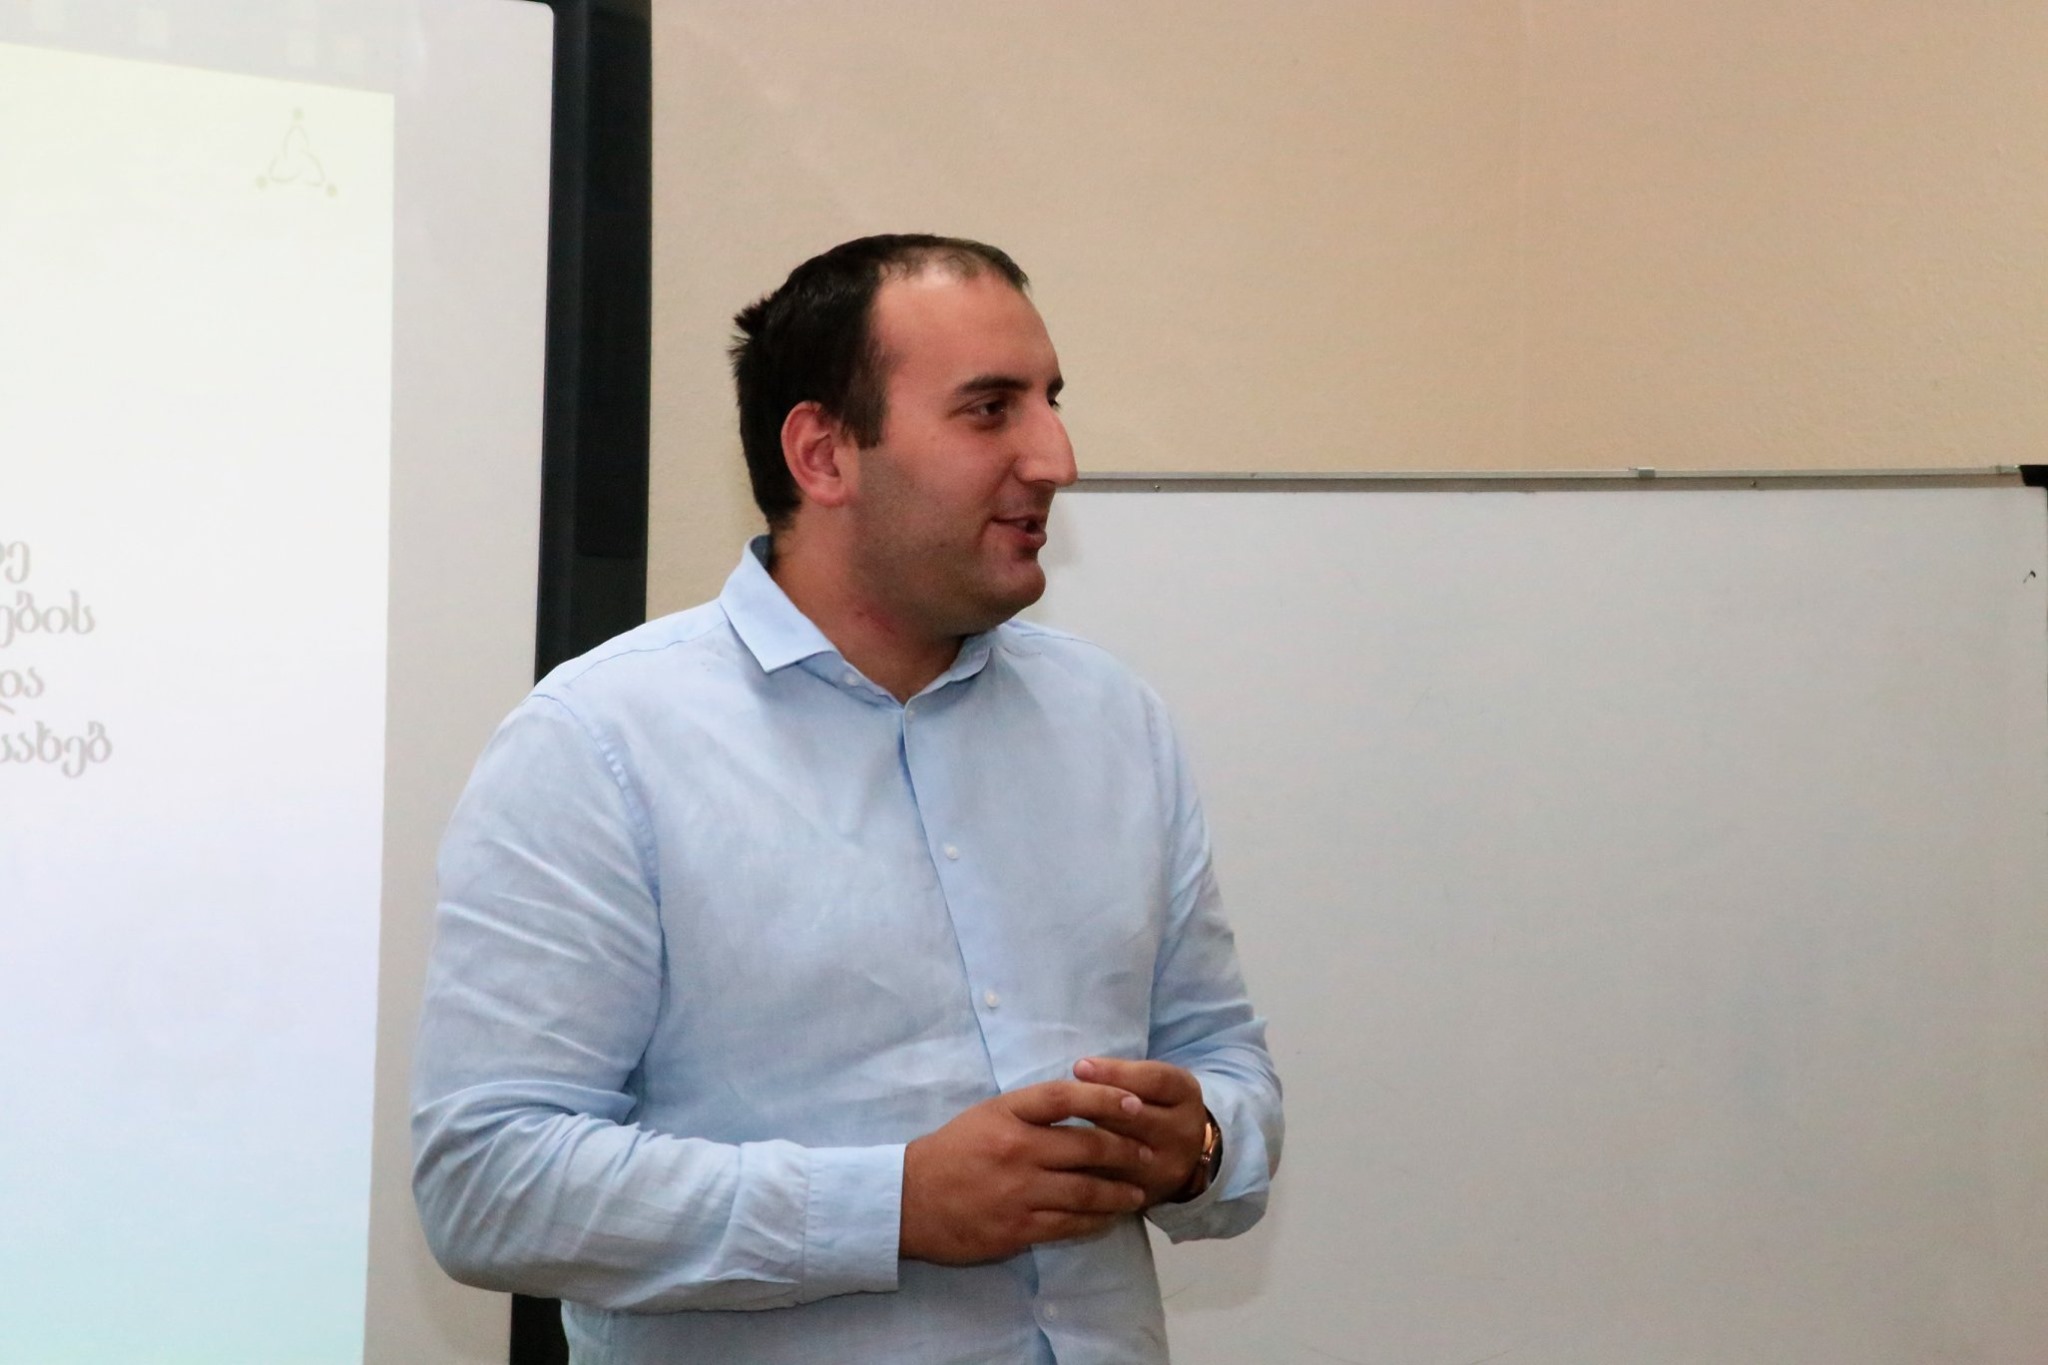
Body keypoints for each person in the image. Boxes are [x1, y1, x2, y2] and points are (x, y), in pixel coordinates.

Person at [412, 234, 1283, 1364]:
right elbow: (488, 1182)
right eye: (990, 410)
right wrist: (892, 1206)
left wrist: (1197, 1148)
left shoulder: (1113, 722)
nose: (1056, 459)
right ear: (823, 455)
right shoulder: (599, 744)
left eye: (1051, 402)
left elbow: (1223, 1062)